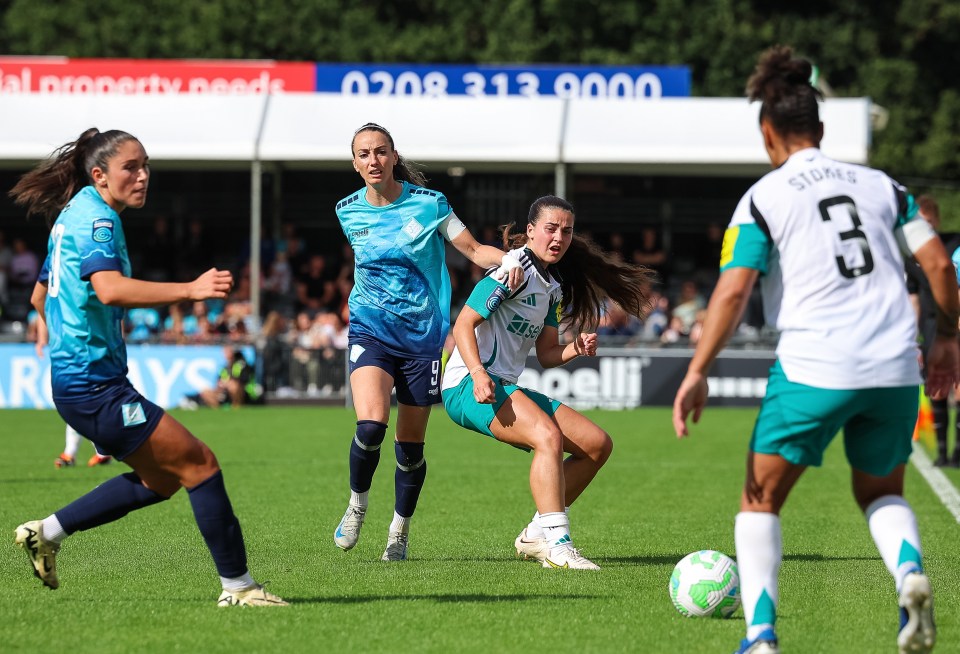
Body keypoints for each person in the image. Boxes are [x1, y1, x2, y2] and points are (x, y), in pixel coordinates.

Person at [672, 46, 957, 654]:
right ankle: (909, 577)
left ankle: (761, 637)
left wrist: (698, 369)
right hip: (893, 365)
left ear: (767, 132)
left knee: (760, 498)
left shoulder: (763, 198)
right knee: (881, 490)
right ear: (823, 130)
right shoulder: (886, 186)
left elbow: (733, 289)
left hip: (815, 366)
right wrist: (951, 338)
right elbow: (936, 262)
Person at [8, 127, 286, 607]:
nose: (143, 176)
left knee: (162, 480)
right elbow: (110, 289)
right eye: (130, 168)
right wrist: (190, 289)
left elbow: (39, 295)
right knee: (200, 464)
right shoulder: (98, 220)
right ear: (99, 175)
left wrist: (58, 327)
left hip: (84, 380)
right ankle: (240, 588)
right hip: (93, 385)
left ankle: (47, 532)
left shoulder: (69, 216)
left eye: (145, 165)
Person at [332, 122, 523, 562]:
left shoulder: (432, 204)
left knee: (410, 449)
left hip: (423, 340)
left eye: (380, 151)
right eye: (364, 154)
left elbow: (474, 250)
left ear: (394, 156)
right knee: (370, 425)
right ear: (355, 163)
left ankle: (399, 530)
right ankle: (357, 505)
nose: (373, 160)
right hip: (370, 330)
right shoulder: (346, 210)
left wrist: (513, 257)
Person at [441, 195, 656, 570]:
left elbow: (546, 354)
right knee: (548, 437)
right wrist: (476, 374)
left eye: (567, 230)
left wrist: (575, 347)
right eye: (550, 228)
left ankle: (536, 534)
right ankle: (559, 547)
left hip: (503, 385)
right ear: (530, 231)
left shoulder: (552, 286)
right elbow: (463, 324)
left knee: (597, 445)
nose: (559, 237)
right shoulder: (513, 270)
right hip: (465, 385)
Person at [906, 194, 960, 467]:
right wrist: (912, 338)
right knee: (937, 386)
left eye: (929, 222)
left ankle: (958, 451)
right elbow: (913, 299)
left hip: (955, 324)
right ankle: (941, 452)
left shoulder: (954, 246)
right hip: (930, 326)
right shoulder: (911, 257)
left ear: (936, 220)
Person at [30, 313, 113, 468]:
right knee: (81, 402)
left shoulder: (60, 293)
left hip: (76, 352)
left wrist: (43, 339)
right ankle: (90, 452)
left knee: (80, 402)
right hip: (78, 350)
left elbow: (39, 302)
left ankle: (82, 453)